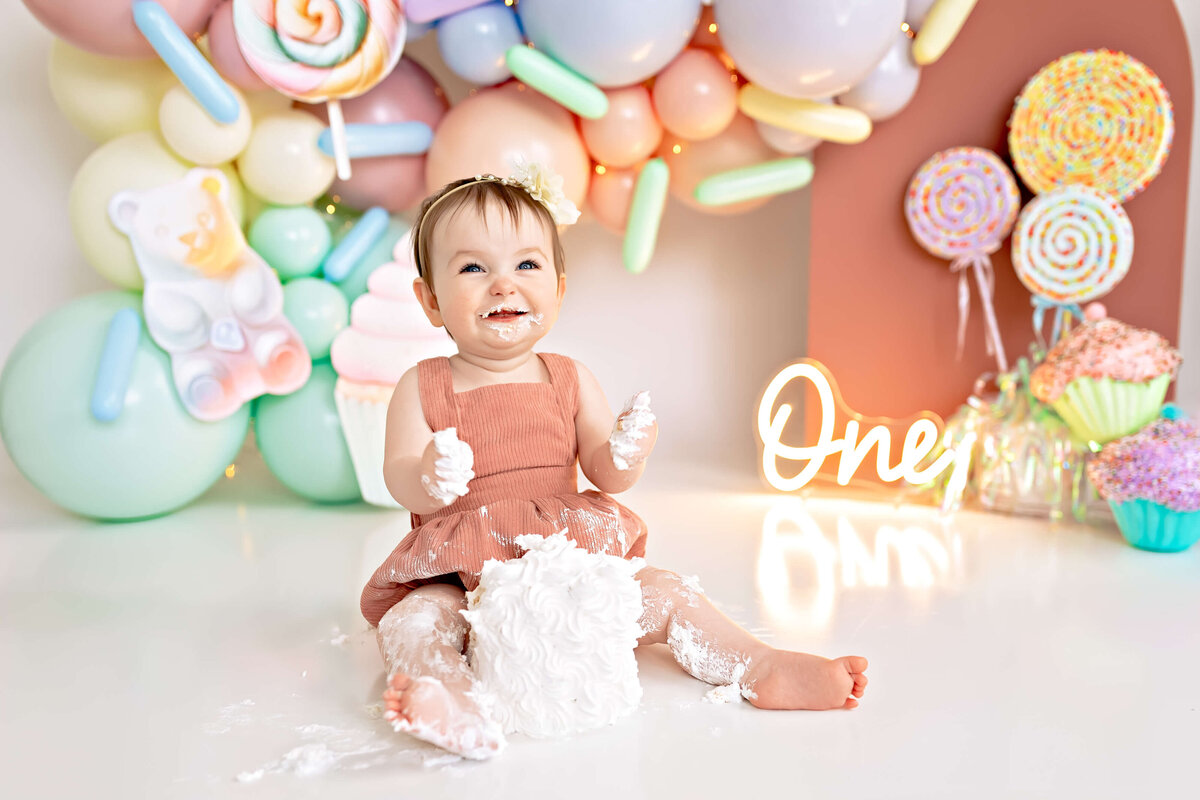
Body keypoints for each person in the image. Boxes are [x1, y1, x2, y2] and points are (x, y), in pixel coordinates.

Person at [360, 163, 868, 759]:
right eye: (473, 267)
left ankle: (757, 664)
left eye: (527, 264)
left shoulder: (571, 378)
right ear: (430, 301)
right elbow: (398, 475)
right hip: (462, 575)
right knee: (416, 622)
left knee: (666, 593)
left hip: (568, 565)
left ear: (560, 288)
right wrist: (428, 476)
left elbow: (607, 473)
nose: (503, 284)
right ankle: (446, 694)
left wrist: (626, 451)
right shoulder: (420, 386)